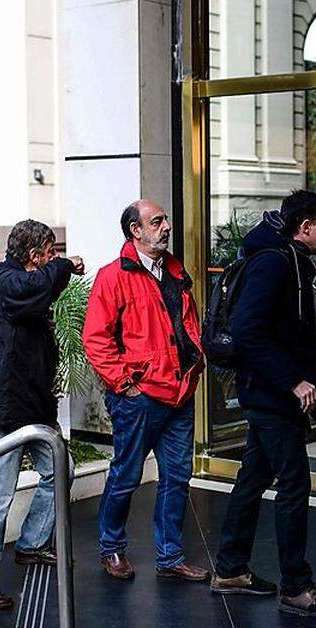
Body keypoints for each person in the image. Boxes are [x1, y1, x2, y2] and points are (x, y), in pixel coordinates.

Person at [212, 190, 316, 617]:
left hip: (270, 393)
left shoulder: (289, 261)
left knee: (254, 478)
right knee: (294, 483)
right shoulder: (274, 263)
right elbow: (249, 331)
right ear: (304, 226)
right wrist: (294, 382)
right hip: (271, 395)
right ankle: (296, 587)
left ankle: (231, 568)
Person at [0, 219, 84, 611]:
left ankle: (30, 544)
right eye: (50, 254)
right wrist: (65, 266)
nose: (54, 260)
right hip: (6, 409)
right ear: (34, 256)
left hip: (29, 406)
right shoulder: (5, 282)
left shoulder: (13, 282)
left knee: (62, 469)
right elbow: (36, 287)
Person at [84, 200, 208, 584]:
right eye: (157, 221)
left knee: (177, 477)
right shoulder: (113, 276)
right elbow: (96, 339)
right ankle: (112, 549)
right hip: (139, 399)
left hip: (180, 393)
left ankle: (170, 556)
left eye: (166, 219)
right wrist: (126, 385)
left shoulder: (174, 270)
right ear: (135, 231)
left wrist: (196, 361)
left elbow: (186, 324)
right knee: (126, 475)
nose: (167, 226)